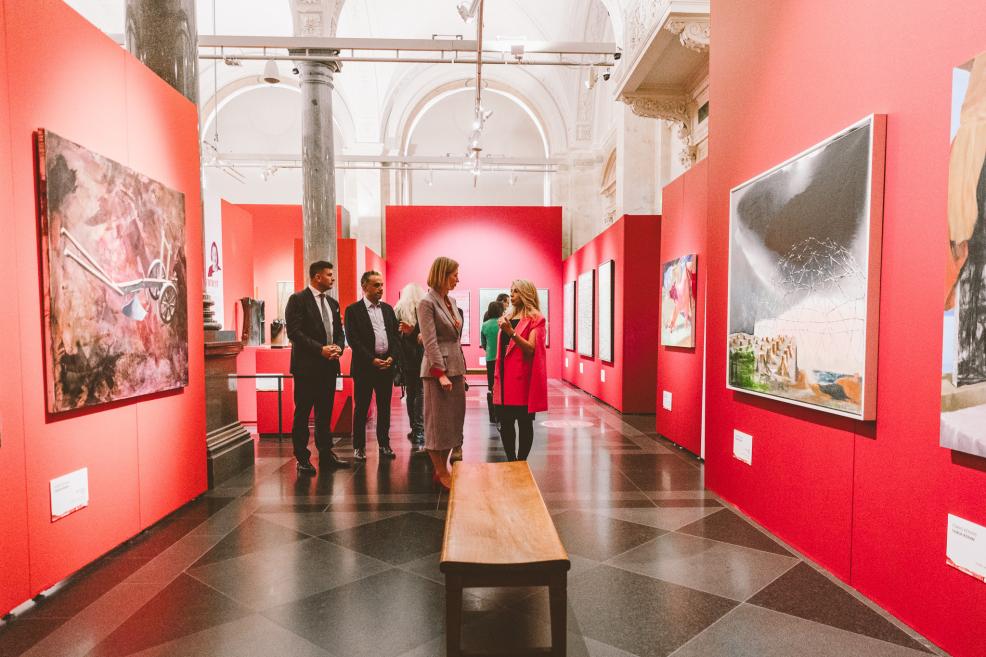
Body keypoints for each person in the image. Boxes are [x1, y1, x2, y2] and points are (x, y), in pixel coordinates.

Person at [285, 261, 349, 474]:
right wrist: (320, 349)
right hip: (306, 368)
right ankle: (302, 458)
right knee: (303, 413)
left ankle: (326, 453)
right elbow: (294, 333)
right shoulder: (298, 300)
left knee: (325, 413)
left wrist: (338, 348)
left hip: (329, 367)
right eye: (329, 275)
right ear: (317, 277)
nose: (333, 278)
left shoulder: (332, 303)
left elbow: (339, 331)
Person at [418, 257, 467, 489]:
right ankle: (440, 470)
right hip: (437, 370)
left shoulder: (452, 300)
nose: (458, 279)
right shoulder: (426, 303)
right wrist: (440, 373)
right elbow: (430, 342)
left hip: (456, 368)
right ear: (442, 274)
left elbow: (454, 338)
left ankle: (443, 466)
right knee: (436, 423)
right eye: (454, 274)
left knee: (453, 421)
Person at [344, 271, 402, 461]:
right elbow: (354, 340)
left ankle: (384, 444)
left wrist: (392, 357)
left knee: (384, 407)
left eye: (382, 285)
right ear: (364, 286)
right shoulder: (353, 310)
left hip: (386, 365)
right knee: (361, 407)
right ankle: (359, 447)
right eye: (376, 285)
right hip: (365, 367)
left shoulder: (387, 309)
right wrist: (371, 359)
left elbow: (395, 335)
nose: (380, 289)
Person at [493, 279, 548, 461]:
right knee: (506, 423)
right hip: (503, 379)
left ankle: (521, 460)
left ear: (525, 294)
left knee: (524, 422)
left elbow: (531, 349)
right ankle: (511, 460)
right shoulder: (507, 317)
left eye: (516, 291)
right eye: (511, 291)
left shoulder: (536, 319)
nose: (512, 294)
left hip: (522, 379)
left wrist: (511, 332)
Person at [395, 282, 427, 454]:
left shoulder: (398, 310)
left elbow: (395, 336)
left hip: (406, 359)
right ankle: (420, 429)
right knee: (421, 392)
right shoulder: (423, 309)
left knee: (411, 392)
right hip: (421, 357)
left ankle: (414, 429)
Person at [480, 300, 505, 424]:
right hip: (503, 358)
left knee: (492, 387)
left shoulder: (485, 325)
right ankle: (503, 413)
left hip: (490, 358)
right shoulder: (503, 323)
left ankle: (493, 415)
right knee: (503, 385)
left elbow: (483, 344)